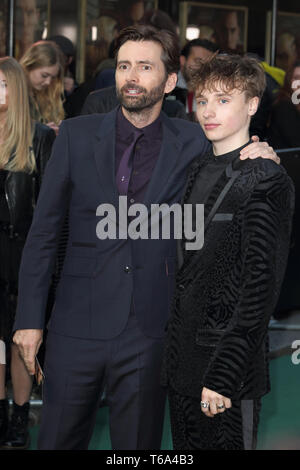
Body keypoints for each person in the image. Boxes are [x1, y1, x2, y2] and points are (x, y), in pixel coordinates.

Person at [12, 25, 278, 451]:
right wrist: (28, 320)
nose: (130, 76)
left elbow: (237, 153)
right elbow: (43, 233)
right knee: (57, 440)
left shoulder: (195, 140)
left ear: (170, 81)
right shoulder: (76, 136)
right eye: (123, 66)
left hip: (151, 332)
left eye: (145, 66)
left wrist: (261, 152)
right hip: (74, 327)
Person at [162, 54, 294, 450]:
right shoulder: (199, 168)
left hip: (227, 372)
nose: (208, 111)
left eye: (223, 100)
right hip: (183, 361)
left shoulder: (265, 177)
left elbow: (259, 289)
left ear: (252, 105)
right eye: (202, 100)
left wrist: (224, 374)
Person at [0, 56, 55, 449]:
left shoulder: (39, 138)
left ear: (16, 89)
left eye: (3, 85)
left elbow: (51, 211)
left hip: (22, 258)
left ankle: (20, 416)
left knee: (21, 343)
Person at [20, 40, 65, 135]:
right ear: (29, 66)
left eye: (52, 77)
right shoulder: (9, 91)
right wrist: (40, 131)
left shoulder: (47, 94)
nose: (48, 82)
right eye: (44, 75)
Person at [173, 38, 219, 121]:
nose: (202, 68)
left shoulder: (215, 91)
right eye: (198, 61)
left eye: (208, 64)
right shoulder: (167, 87)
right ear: (183, 60)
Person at [268, 61, 300, 149]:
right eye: (296, 78)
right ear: (289, 81)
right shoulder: (284, 106)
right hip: (286, 160)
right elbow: (295, 141)